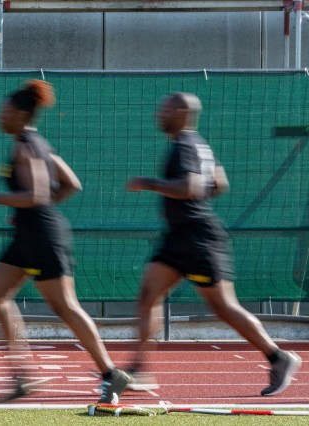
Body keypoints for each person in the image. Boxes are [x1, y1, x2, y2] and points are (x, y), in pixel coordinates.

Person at [126, 92, 302, 396]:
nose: (158, 114)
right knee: (148, 296)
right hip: (181, 236)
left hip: (197, 237)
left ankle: (279, 357)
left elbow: (191, 187)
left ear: (181, 112)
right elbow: (220, 183)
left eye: (165, 109)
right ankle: (138, 371)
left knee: (223, 307)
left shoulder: (184, 146)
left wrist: (149, 183)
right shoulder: (199, 144)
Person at [0, 80, 130, 403]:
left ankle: (111, 374)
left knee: (65, 307)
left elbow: (38, 194)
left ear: (20, 114)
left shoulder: (27, 146)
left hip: (43, 235)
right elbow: (71, 184)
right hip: (30, 231)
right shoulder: (36, 144)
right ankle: (22, 374)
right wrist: (27, 210)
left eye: (4, 111)